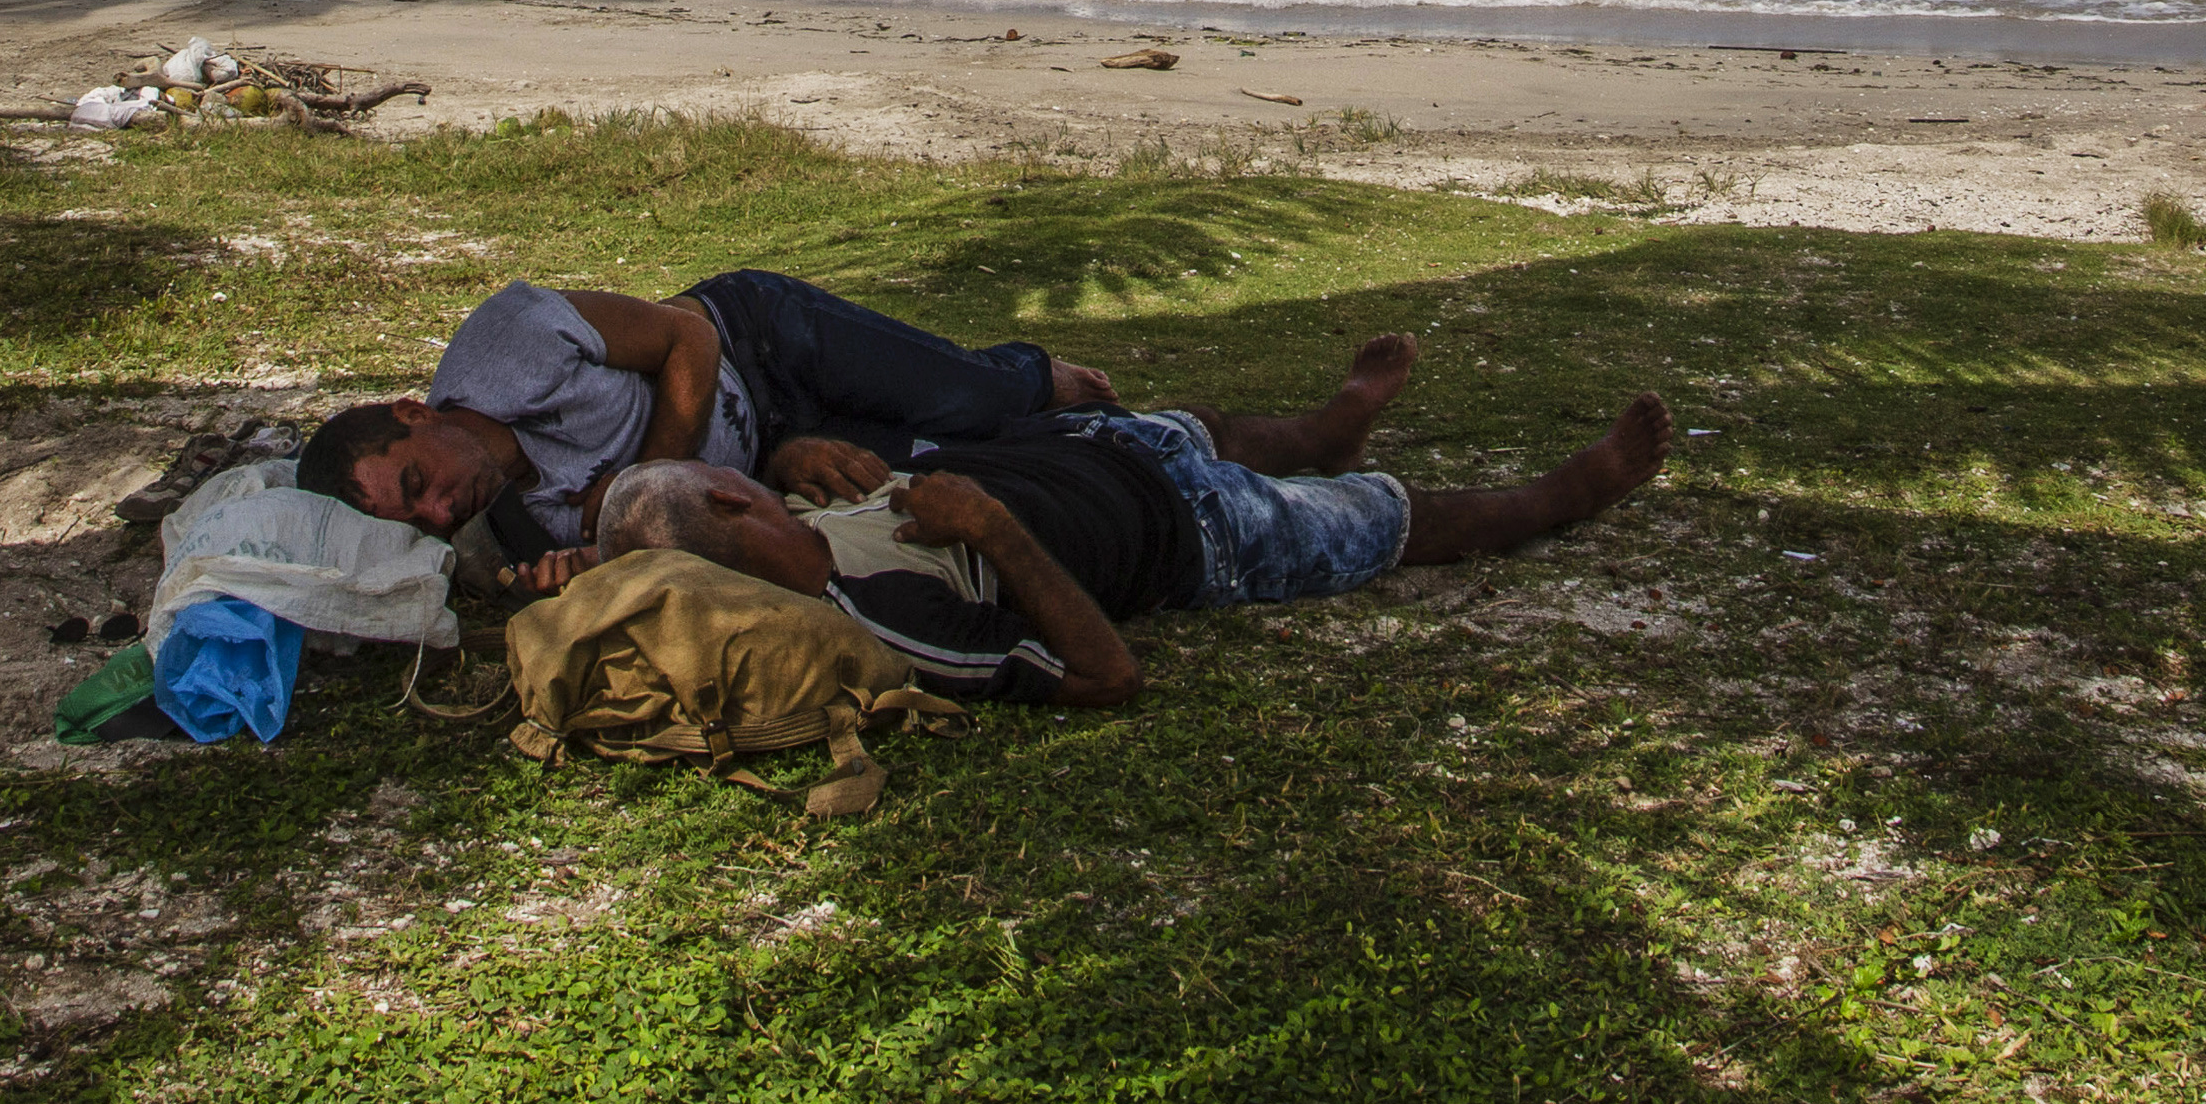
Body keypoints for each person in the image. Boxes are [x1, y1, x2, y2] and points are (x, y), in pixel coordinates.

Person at [580, 336, 1673, 702]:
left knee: (1212, 422)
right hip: (1186, 534)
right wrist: (994, 531)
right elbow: (1106, 678)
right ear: (729, 501)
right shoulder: (876, 617)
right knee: (1390, 519)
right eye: (747, 477)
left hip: (1094, 451)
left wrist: (786, 449)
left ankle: (1333, 420)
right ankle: (1571, 491)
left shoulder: (800, 504)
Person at [295, 272, 1116, 563]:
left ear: (414, 411)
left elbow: (683, 336)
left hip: (756, 336)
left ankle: (1037, 369)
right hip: (769, 451)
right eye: (422, 517)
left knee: (985, 398)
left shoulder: (506, 345)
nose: (443, 508)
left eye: (418, 479)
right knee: (961, 455)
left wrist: (649, 477)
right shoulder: (523, 527)